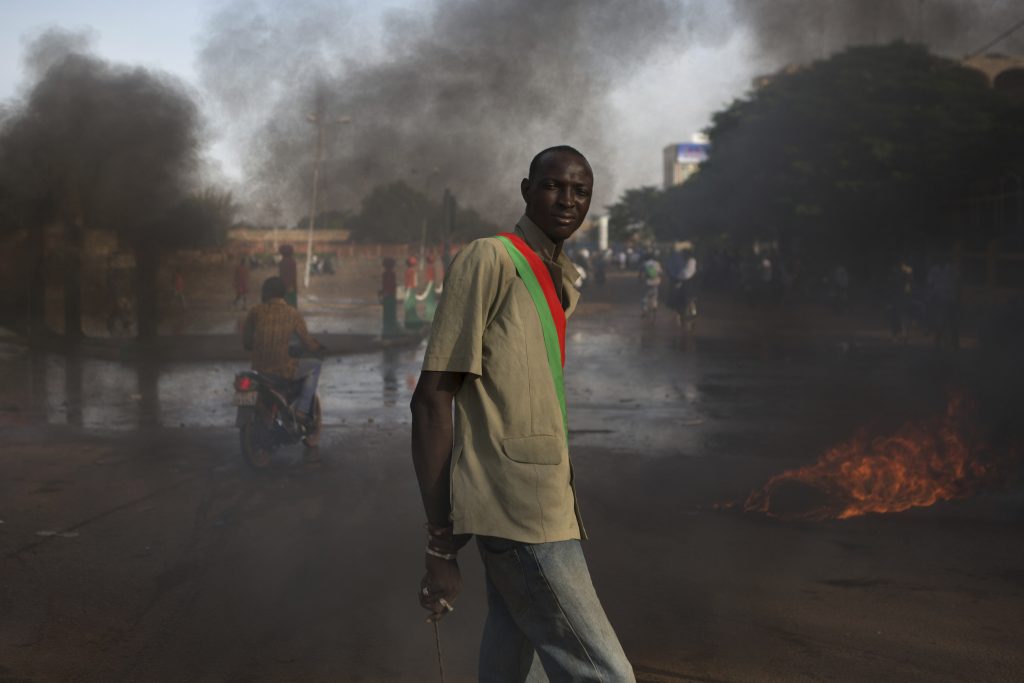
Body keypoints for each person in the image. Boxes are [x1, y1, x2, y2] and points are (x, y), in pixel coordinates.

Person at [410, 146, 635, 682]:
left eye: (581, 191)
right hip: (520, 510)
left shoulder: (559, 277)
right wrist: (439, 540)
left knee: (512, 662)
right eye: (554, 185)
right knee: (606, 674)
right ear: (526, 189)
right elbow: (431, 398)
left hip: (543, 498)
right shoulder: (492, 258)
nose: (568, 199)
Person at [243, 276, 325, 439]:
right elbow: (307, 341)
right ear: (282, 294)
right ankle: (301, 411)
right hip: (282, 370)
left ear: (265, 293)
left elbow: (246, 343)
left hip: (259, 371)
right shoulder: (292, 313)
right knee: (315, 365)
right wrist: (319, 347)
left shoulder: (254, 311)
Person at [380, 257, 401, 337]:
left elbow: (386, 285)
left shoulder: (385, 274)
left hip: (387, 296)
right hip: (391, 296)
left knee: (387, 315)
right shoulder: (391, 274)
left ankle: (387, 331)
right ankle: (390, 331)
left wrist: (383, 292)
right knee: (390, 314)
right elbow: (392, 285)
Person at [641, 251, 663, 318]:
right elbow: (660, 272)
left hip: (648, 282)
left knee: (645, 297)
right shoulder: (657, 263)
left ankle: (645, 310)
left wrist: (640, 279)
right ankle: (654, 307)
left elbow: (641, 273)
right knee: (655, 296)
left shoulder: (645, 263)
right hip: (656, 282)